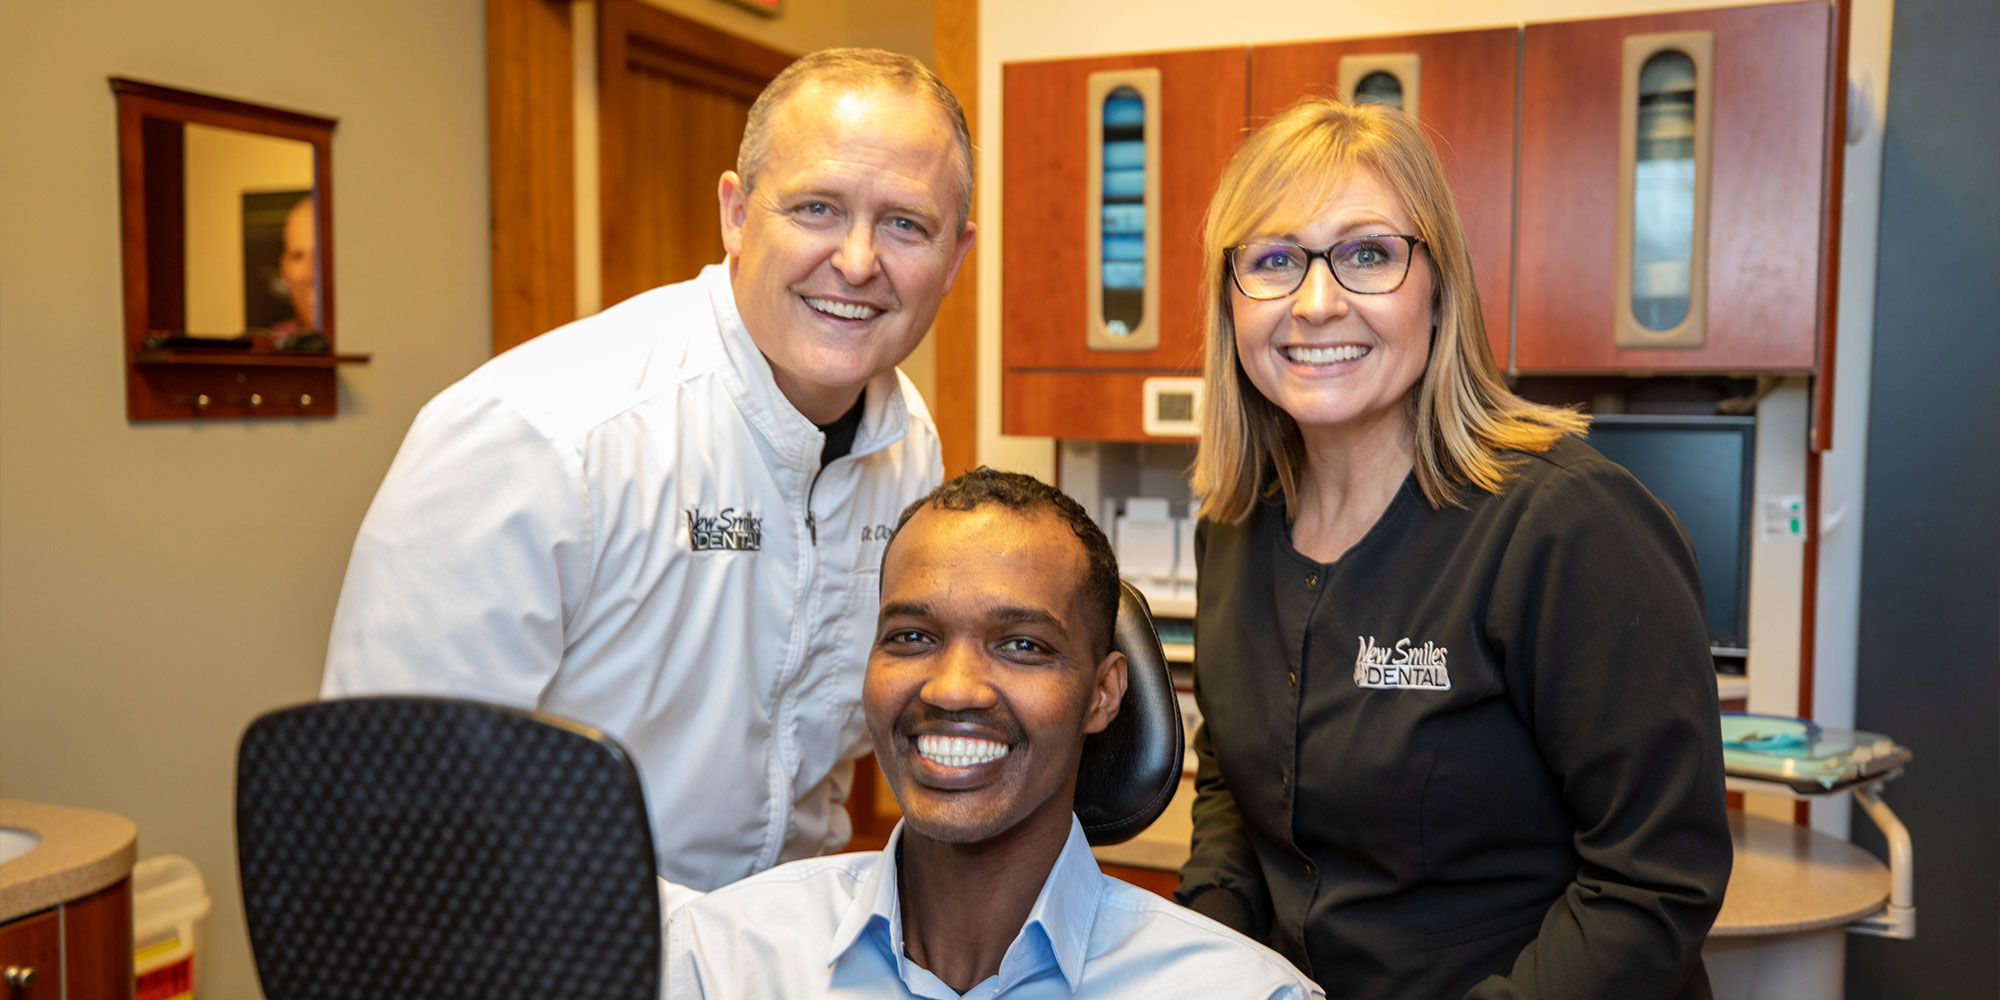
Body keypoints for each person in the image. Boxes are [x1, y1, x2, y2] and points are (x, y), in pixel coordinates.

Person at [321, 48, 976, 894]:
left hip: (781, 946)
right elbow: (379, 810)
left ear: (955, 258)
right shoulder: (543, 434)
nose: (856, 261)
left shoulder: (906, 444)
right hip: (549, 957)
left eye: (904, 225)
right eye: (817, 208)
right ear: (737, 215)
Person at [1172, 98, 1732, 999]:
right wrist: (1197, 964)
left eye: (1367, 254)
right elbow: (1237, 789)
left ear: (1437, 287)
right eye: (1273, 261)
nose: (1317, 303)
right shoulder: (1232, 531)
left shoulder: (1570, 527)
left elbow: (1652, 884)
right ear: (1231, 303)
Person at [666, 468, 1323, 999]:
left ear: (1102, 694)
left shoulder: (1239, 992)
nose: (953, 688)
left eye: (1020, 645)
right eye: (912, 637)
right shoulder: (720, 964)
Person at [268, 194, 315, 338]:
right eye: (298, 256)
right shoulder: (273, 346)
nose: (310, 274)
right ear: (284, 268)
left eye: (320, 255)